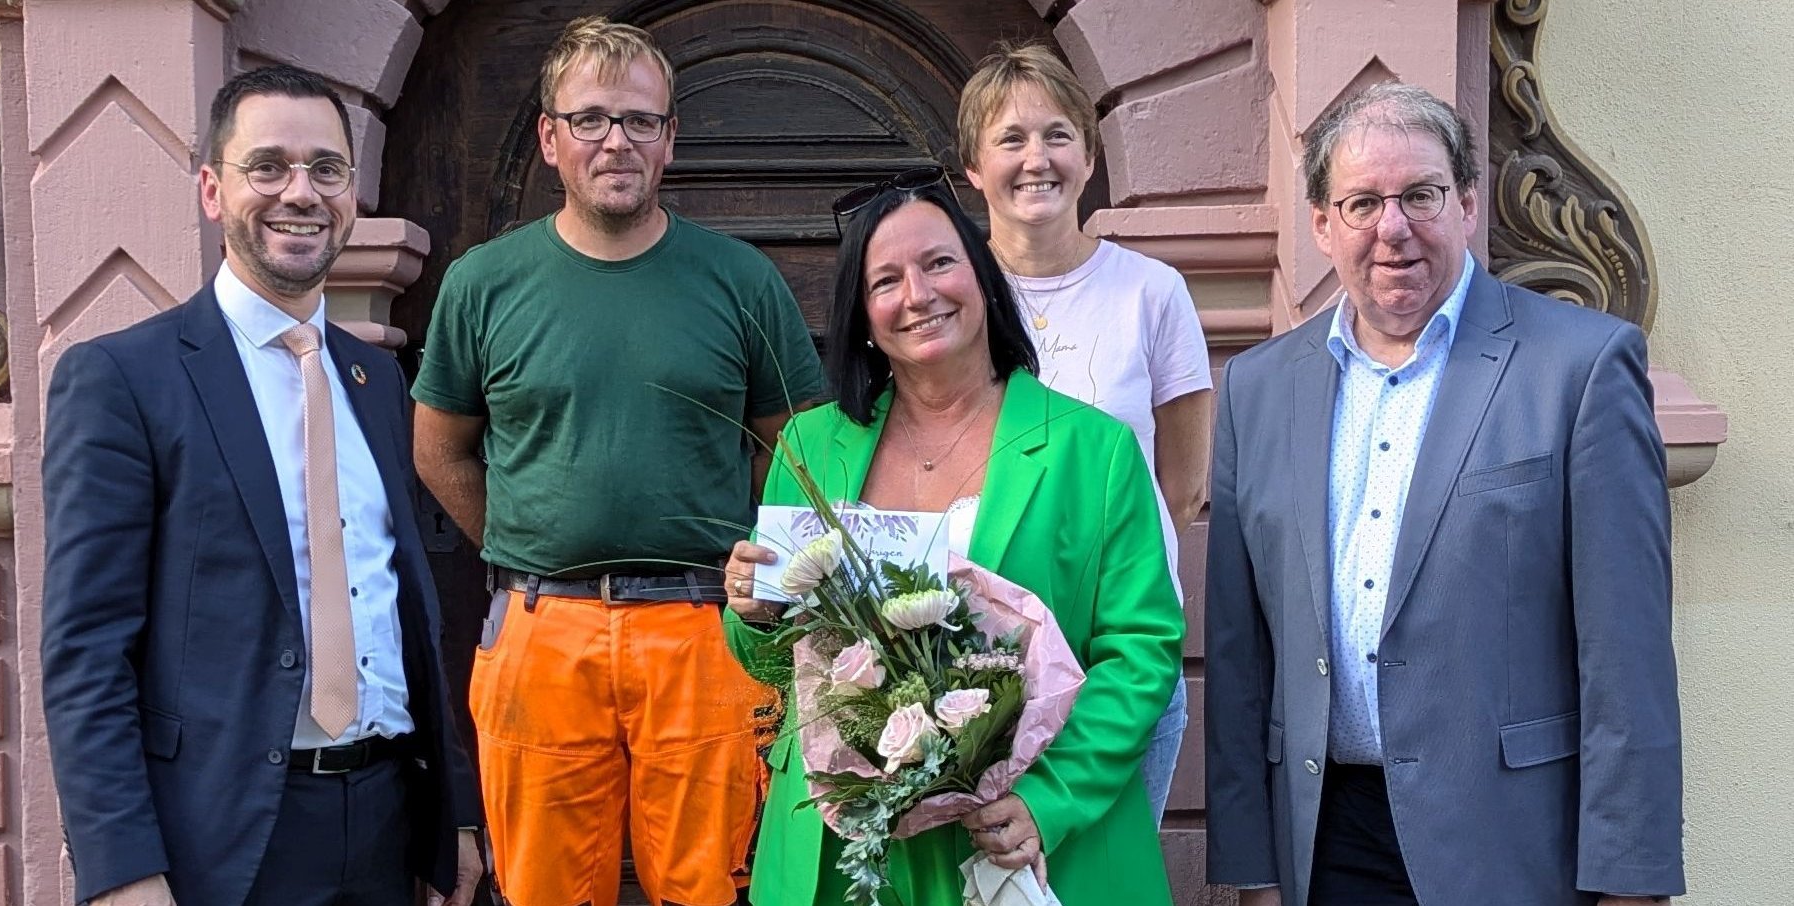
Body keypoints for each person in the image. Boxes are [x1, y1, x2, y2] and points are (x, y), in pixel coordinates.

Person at [1203, 82, 1683, 906]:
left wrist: (1630, 884)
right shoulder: (1257, 389)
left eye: (1419, 195)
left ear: (1465, 203)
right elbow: (1239, 653)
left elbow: (1625, 655)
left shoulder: (1580, 368)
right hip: (1323, 843)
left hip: (1513, 845)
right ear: (1322, 225)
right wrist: (1252, 868)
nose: (1392, 228)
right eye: (1362, 203)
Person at [41, 65, 483, 906]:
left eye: (326, 169)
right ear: (213, 190)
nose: (301, 193)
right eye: (269, 166)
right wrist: (121, 869)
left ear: (350, 195)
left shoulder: (375, 382)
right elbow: (87, 652)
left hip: (387, 823)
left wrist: (453, 812)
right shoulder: (123, 379)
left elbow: (407, 609)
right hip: (225, 840)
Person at [409, 16, 824, 906]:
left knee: (712, 889)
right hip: (541, 628)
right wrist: (531, 540)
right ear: (549, 137)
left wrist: (747, 573)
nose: (616, 141)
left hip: (706, 629)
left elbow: (797, 451)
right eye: (590, 119)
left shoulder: (740, 280)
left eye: (640, 120)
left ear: (670, 138)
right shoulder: (482, 283)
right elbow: (438, 449)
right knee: (544, 891)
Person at [721, 172, 1185, 906]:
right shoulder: (810, 446)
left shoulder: (1093, 450)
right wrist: (752, 612)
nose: (918, 294)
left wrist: (1048, 799)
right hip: (850, 851)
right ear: (862, 314)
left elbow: (1140, 651)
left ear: (982, 278)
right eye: (886, 280)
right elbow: (776, 664)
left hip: (1012, 833)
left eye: (939, 263)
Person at [958, 42, 1213, 822]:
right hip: (973, 663)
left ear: (1090, 156)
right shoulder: (951, 298)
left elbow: (1182, 487)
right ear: (972, 167)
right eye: (1010, 139)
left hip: (1118, 660)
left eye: (1057, 136)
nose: (1036, 159)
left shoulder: (1152, 292)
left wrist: (1105, 587)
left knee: (1110, 867)